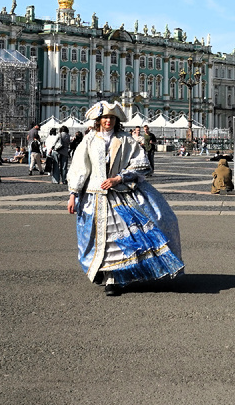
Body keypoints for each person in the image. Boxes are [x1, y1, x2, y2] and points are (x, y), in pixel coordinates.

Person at [66, 101, 183, 296]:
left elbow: (141, 163)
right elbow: (79, 168)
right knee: (94, 236)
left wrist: (119, 177)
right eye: (105, 117)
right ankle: (100, 270)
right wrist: (73, 195)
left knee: (117, 237)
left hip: (119, 194)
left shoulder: (125, 140)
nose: (108, 121)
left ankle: (113, 279)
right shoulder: (89, 140)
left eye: (111, 118)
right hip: (94, 196)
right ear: (98, 120)